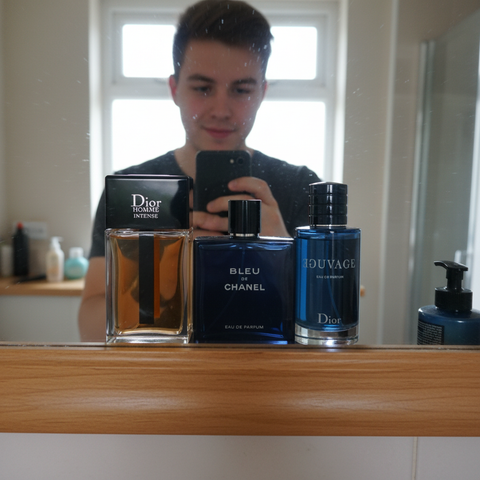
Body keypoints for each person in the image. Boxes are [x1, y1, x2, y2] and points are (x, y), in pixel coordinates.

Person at [78, 0, 321, 341]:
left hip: (267, 373)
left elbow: (325, 327)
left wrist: (281, 254)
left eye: (241, 90)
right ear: (174, 89)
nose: (221, 110)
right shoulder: (134, 189)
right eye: (203, 88)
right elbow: (89, 328)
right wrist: (167, 273)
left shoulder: (302, 187)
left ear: (262, 93)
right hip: (165, 375)